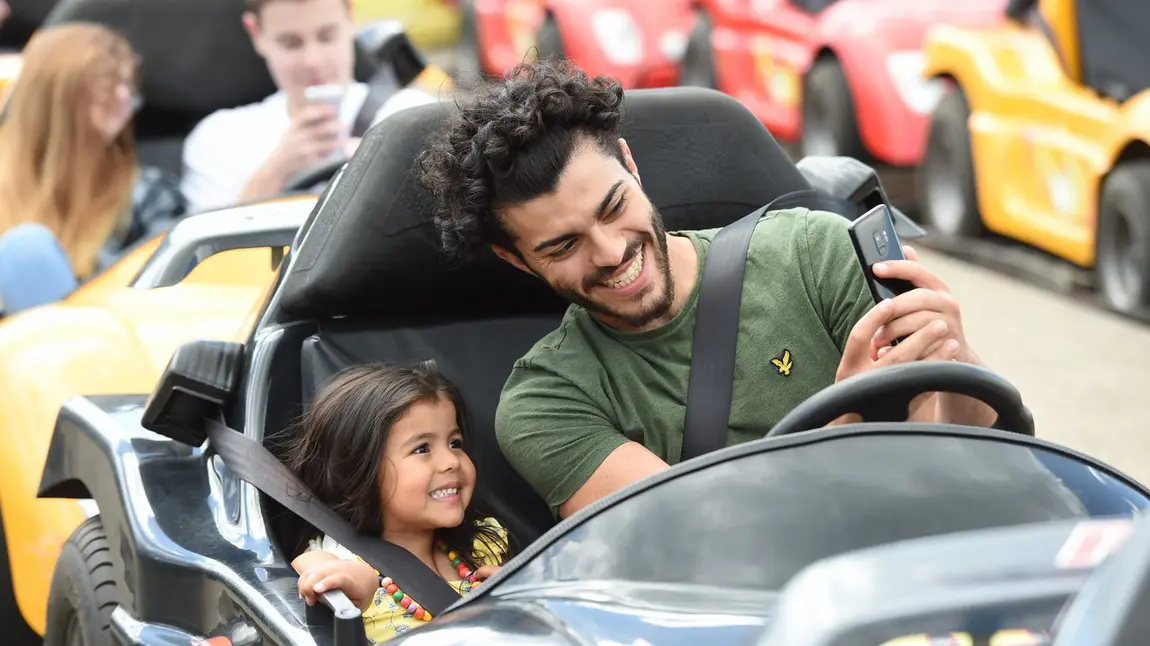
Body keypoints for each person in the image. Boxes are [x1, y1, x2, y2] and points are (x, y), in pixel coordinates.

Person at [416, 58, 998, 520]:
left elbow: (974, 457)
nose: (612, 252)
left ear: (629, 163)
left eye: (615, 207)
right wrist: (852, 416)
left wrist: (955, 355)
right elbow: (695, 541)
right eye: (563, 246)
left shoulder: (813, 251)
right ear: (514, 258)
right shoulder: (546, 403)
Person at [283, 361, 509, 642]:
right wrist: (348, 586)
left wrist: (515, 595)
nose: (451, 461)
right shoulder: (340, 557)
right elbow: (312, 569)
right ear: (358, 470)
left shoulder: (482, 544)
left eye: (455, 443)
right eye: (422, 448)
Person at [179, 0, 439, 214]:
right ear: (256, 33)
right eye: (291, 43)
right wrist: (276, 172)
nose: (313, 61)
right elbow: (206, 261)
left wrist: (383, 166)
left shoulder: (411, 115)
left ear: (350, 16)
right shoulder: (219, 139)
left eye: (327, 36)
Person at [0, 23, 186, 315]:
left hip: (104, 345)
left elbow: (165, 301)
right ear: (56, 90)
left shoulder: (150, 195)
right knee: (26, 250)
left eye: (129, 84)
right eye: (109, 83)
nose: (125, 97)